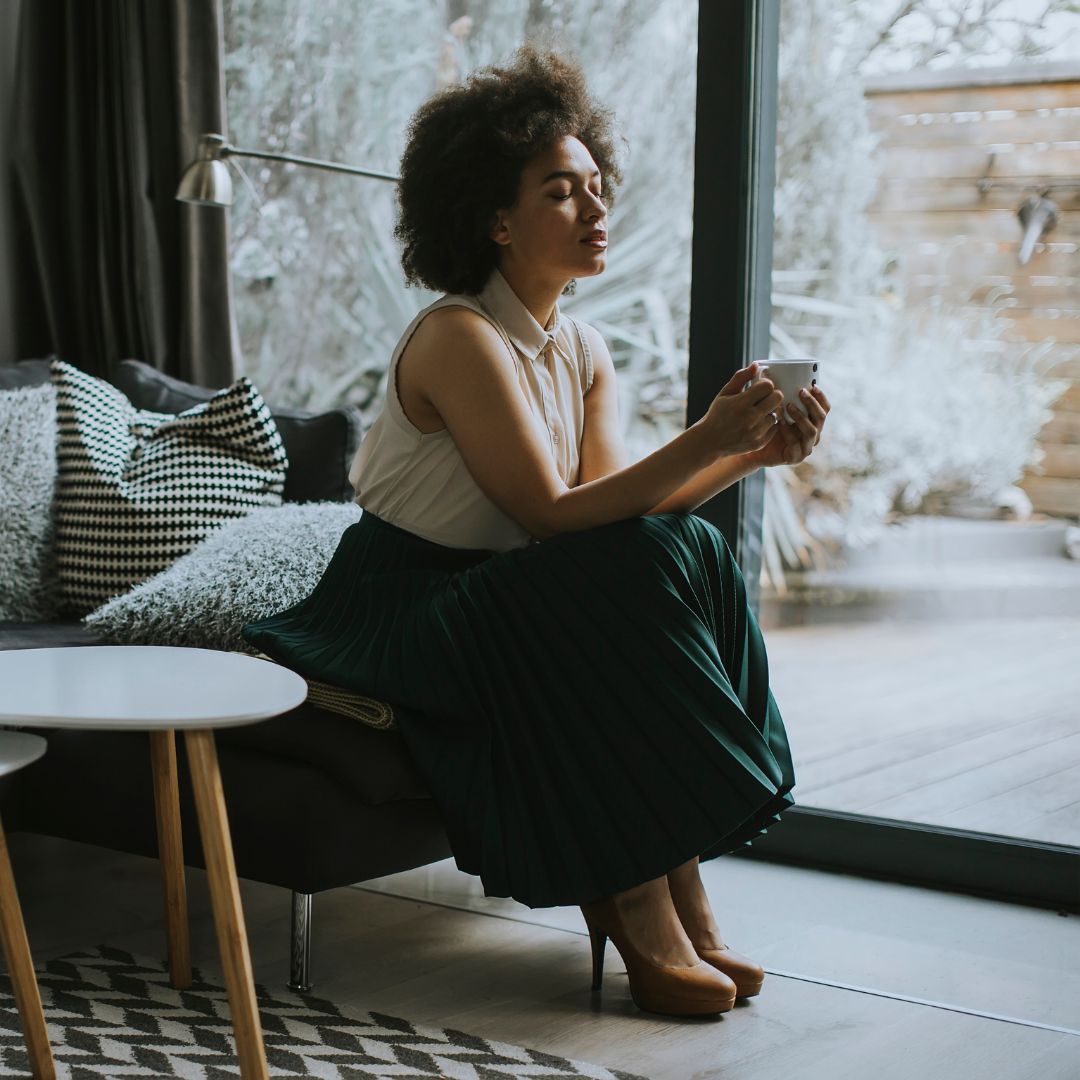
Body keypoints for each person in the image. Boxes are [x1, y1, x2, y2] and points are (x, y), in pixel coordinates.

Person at [243, 44, 831, 1019]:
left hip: (503, 590)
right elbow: (550, 516)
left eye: (596, 185)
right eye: (563, 192)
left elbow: (618, 512)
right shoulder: (457, 336)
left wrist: (751, 456)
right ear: (497, 220)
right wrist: (705, 435)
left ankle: (682, 890)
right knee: (605, 579)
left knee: (685, 550)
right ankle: (637, 894)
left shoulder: (583, 346)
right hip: (403, 603)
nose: (596, 210)